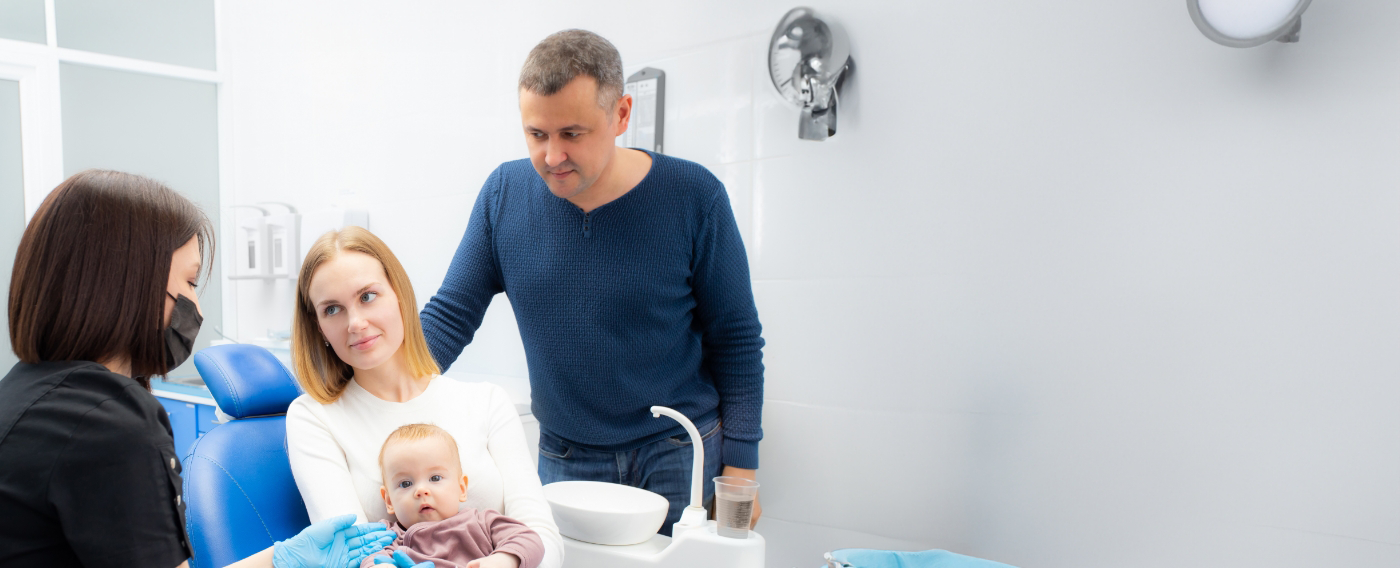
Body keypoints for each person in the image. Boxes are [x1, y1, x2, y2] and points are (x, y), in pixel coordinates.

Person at [419, 29, 766, 535]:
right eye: (536, 134)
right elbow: (450, 316)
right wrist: (376, 392)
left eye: (572, 134)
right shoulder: (504, 195)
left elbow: (735, 337)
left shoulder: (695, 196)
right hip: (564, 456)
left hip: (677, 452)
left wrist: (742, 467)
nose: (552, 156)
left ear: (621, 114)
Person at [0, 170, 394, 568]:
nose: (197, 308)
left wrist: (280, 559)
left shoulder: (22, 398)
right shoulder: (107, 424)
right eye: (189, 282)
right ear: (127, 283)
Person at [285, 227, 563, 568]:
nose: (355, 323)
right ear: (318, 327)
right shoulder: (314, 417)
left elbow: (540, 532)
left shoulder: (487, 402)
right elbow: (352, 552)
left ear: (399, 294)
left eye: (368, 297)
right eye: (332, 309)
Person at [361, 424, 543, 568]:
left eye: (435, 478)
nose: (421, 490)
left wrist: (503, 560)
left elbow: (529, 539)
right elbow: (370, 557)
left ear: (461, 488)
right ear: (389, 500)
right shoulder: (389, 536)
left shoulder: (482, 522)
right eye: (406, 484)